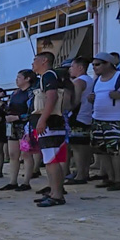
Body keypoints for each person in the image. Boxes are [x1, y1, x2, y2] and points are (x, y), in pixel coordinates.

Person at [31, 51, 69, 207]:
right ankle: (54, 193)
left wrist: (42, 119)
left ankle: (57, 195)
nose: (32, 63)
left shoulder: (48, 76)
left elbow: (51, 97)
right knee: (49, 161)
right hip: (50, 123)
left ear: (44, 61)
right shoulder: (47, 76)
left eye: (35, 60)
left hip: (51, 123)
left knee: (52, 160)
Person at [88, 52, 120, 191]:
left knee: (115, 150)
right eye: (93, 65)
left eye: (97, 64)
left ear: (108, 64)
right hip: (98, 118)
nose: (94, 67)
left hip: (116, 119)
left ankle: (118, 180)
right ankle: (110, 178)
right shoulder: (97, 80)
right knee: (102, 150)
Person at [0, 70, 39, 192]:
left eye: (19, 77)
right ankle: (13, 181)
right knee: (13, 154)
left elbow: (33, 111)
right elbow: (8, 108)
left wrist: (17, 117)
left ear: (27, 79)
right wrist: (0, 102)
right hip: (12, 126)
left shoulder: (32, 93)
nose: (17, 80)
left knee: (26, 154)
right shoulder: (15, 93)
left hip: (26, 126)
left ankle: (26, 182)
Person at [66, 57, 94, 185]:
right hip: (87, 116)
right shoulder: (90, 80)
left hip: (78, 116)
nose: (70, 69)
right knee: (84, 146)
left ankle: (80, 175)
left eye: (72, 66)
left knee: (77, 147)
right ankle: (84, 172)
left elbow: (75, 102)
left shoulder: (79, 81)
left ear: (80, 68)